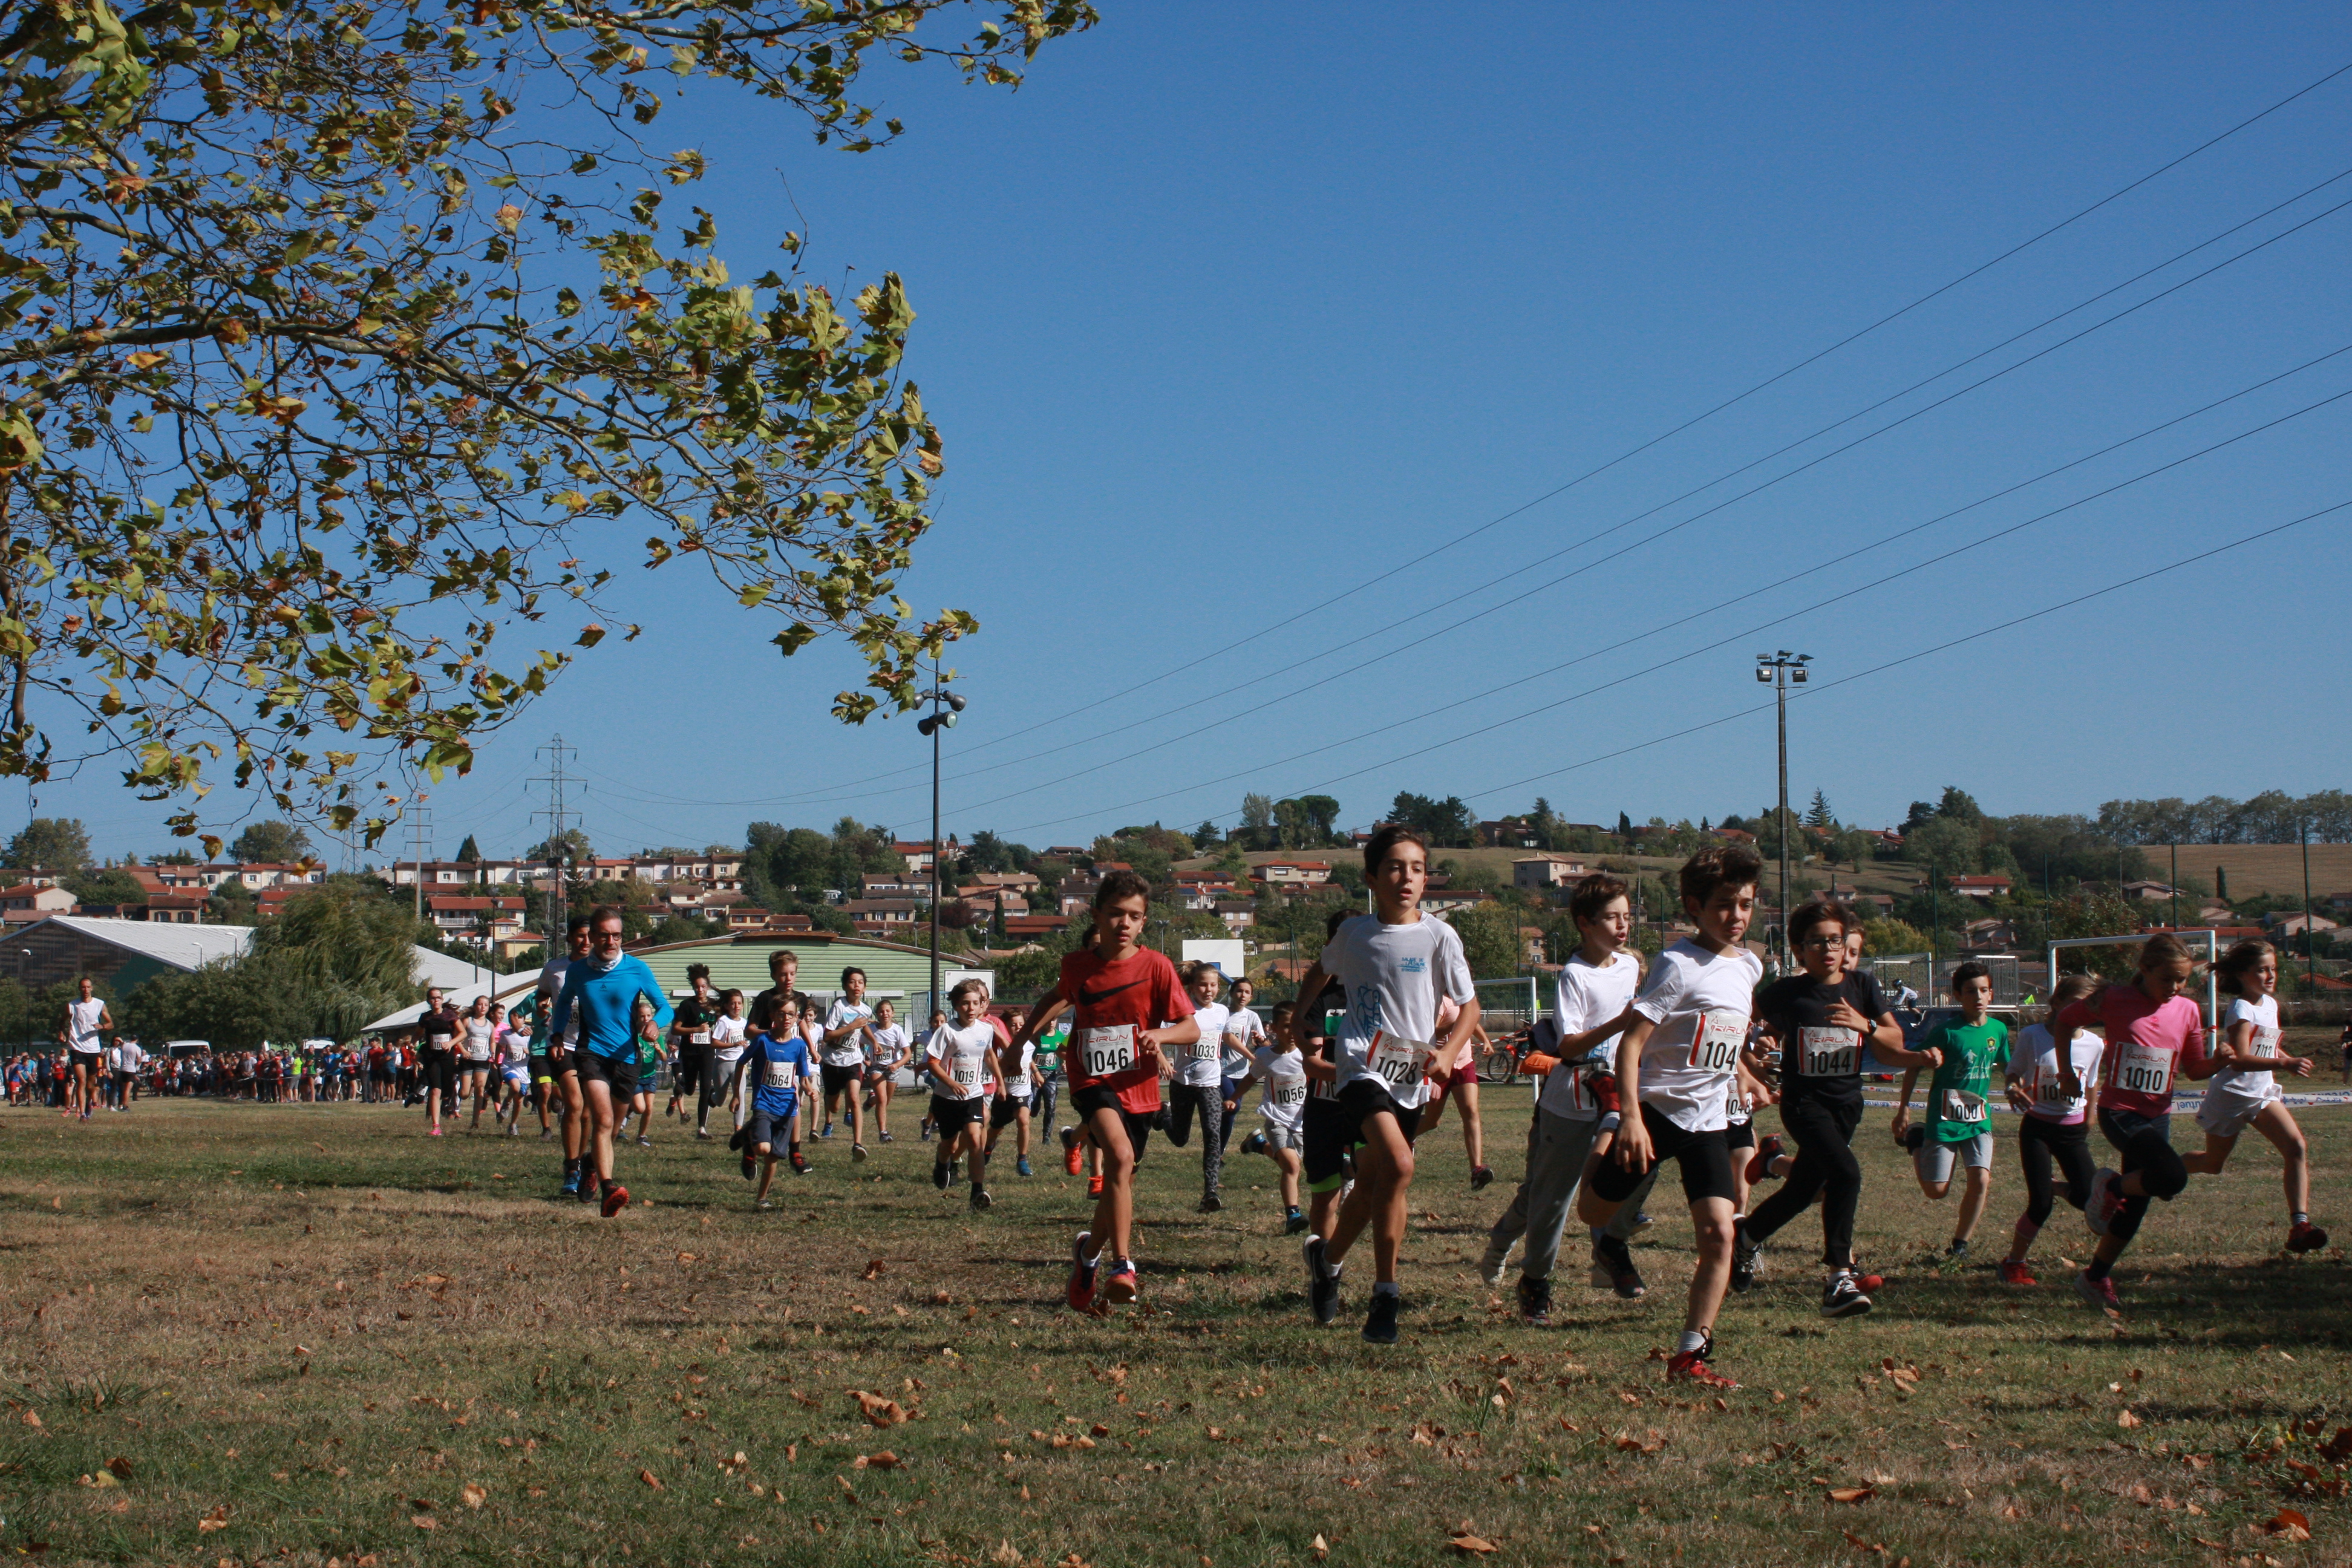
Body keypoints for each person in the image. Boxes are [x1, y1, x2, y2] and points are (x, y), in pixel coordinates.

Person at [1576, 843, 1771, 1389]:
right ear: (1694, 906)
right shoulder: (1677, 965)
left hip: (1708, 1120)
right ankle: (1605, 1138)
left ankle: (1690, 1355)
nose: (1736, 917)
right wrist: (1631, 1117)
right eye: (1724, 906)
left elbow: (1726, 1035)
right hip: (1656, 1114)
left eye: (1746, 905)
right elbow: (1632, 1046)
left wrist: (1745, 1072)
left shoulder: (1750, 965)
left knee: (1718, 1234)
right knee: (1593, 1213)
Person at [1295, 825, 1480, 1345]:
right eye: (1396, 867)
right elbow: (1319, 971)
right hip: (1360, 1065)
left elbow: (1469, 1007)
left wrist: (1446, 1051)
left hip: (1412, 1072)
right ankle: (1386, 1292)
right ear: (1372, 877)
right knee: (1400, 1164)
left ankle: (1327, 1262)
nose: (1408, 877)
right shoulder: (1354, 933)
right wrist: (1301, 1019)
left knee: (1375, 1183)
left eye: (1417, 868)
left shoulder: (1440, 936)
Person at [1005, 869, 1197, 1313]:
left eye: (1134, 916)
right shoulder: (1078, 965)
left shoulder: (1158, 968)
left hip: (1140, 1087)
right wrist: (1021, 1041)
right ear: (1097, 915)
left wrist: (1160, 1037)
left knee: (1120, 1184)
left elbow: (1190, 1027)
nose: (1124, 924)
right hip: (1092, 1079)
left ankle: (1088, 1256)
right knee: (1121, 1157)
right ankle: (1122, 1266)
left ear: (1144, 922)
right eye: (1115, 914)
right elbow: (1057, 997)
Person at [1736, 898, 1926, 1316]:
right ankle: (1839, 1276)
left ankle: (1746, 1238)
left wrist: (1868, 1025)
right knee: (1846, 1173)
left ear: (1845, 945)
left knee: (1803, 1191)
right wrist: (1756, 1047)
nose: (1827, 950)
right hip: (1805, 1104)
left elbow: (1895, 1045)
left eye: (1835, 941)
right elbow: (1742, 1022)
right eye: (1816, 942)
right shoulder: (1788, 991)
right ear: (1800, 949)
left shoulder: (1863, 987)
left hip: (1847, 1105)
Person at [1478, 872, 1642, 1324]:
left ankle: (1608, 1257)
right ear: (1585, 924)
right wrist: (1621, 1022)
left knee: (1622, 1174)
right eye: (1612, 918)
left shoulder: (1630, 966)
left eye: (1627, 917)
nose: (1623, 926)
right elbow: (1567, 1046)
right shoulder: (1575, 975)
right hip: (1569, 1099)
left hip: (1615, 1094)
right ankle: (1532, 1279)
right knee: (1549, 1199)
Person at [2057, 932, 2206, 1311]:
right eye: (2167, 979)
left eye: (2182, 980)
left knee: (2137, 1205)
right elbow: (2063, 1022)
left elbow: (2195, 1068)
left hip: (2159, 1116)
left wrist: (2225, 1059)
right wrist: (2066, 1073)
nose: (2175, 987)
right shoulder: (2114, 999)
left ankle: (2095, 1276)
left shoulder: (2188, 1010)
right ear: (2145, 969)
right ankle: (2110, 1186)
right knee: (2172, 1178)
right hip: (2120, 1112)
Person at [2182, 939, 2327, 1253]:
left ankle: (2300, 1226)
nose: (2271, 975)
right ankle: (2159, 1173)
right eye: (2262, 970)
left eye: (2273, 969)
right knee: (2212, 1164)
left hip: (2261, 1093)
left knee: (2297, 1147)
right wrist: (2284, 1063)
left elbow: (2268, 1046)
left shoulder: (2270, 1004)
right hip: (2233, 1095)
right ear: (2242, 975)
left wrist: (2285, 1059)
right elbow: (2239, 1058)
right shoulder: (2241, 1008)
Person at [549, 906, 674, 1216]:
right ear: (592, 937)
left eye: (616, 936)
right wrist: (556, 1035)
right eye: (604, 936)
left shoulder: (637, 969)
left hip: (628, 1057)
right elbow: (563, 1004)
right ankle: (609, 1189)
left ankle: (590, 1163)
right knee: (602, 1121)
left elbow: (665, 1007)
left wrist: (656, 1023)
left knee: (613, 1129)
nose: (611, 942)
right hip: (591, 1054)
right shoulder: (577, 972)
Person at [1892, 962, 2008, 1264]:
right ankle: (1917, 1140)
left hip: (1978, 1119)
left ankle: (1960, 1244)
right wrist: (1904, 1109)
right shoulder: (1946, 1032)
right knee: (1936, 1191)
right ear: (1957, 995)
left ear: (1991, 994)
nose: (1978, 997)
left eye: (1984, 990)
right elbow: (1915, 1065)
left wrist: (2019, 1085)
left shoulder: (1999, 1030)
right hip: (1944, 1120)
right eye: (1971, 991)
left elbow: (2009, 1067)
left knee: (1980, 1180)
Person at [1996, 972, 2105, 1284]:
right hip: (2038, 1128)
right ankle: (2014, 1263)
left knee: (2090, 1200)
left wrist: (2091, 1115)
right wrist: (2012, 1088)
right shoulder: (2032, 1036)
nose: (2082, 1012)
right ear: (2056, 1003)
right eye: (2075, 1004)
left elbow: (2093, 1083)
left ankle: (2057, 1187)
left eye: (2089, 1006)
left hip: (2072, 1131)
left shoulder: (2095, 1043)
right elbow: (2013, 1074)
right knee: (2040, 1205)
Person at [1163, 961, 1232, 1214]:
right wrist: (1162, 1058)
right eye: (1203, 984)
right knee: (1181, 1139)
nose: (1209, 990)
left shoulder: (1222, 1012)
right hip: (1182, 1083)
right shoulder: (1183, 1011)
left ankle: (1210, 1193)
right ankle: (1163, 1115)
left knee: (1213, 1135)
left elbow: (1225, 1037)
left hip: (1211, 1084)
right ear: (1191, 987)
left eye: (1213, 985)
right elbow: (1159, 1034)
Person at [928, 979, 1003, 1210]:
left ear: (982, 1005)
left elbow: (989, 1055)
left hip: (973, 1095)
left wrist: (1000, 1082)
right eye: (965, 1004)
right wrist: (951, 1083)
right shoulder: (947, 1031)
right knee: (949, 1146)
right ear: (956, 1005)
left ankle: (977, 1191)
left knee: (975, 1139)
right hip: (946, 1098)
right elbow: (932, 1063)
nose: (970, 1009)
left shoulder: (986, 1029)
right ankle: (942, 1163)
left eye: (975, 1003)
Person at [1237, 1001, 1310, 1232]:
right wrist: (1234, 1097)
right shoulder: (1265, 1056)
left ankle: (1258, 1145)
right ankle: (1293, 1215)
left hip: (1301, 1122)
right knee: (1292, 1165)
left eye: (1297, 1026)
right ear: (1273, 1029)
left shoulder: (1307, 1055)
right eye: (1287, 1026)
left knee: (1293, 1162)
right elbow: (1250, 1078)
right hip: (1276, 1119)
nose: (1292, 1032)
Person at [1417, 1002, 1495, 1190]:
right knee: (1432, 1121)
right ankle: (1399, 1139)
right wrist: (1456, 1024)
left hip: (1464, 1064)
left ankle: (1476, 1169)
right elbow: (1434, 1032)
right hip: (1441, 1065)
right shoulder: (1440, 1001)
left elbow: (1471, 1021)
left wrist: (1485, 1040)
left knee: (1471, 1112)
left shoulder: (1465, 999)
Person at [747, 995, 815, 1205]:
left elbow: (803, 1078)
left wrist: (810, 1089)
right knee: (763, 1149)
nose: (786, 1018)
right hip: (764, 1103)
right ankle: (749, 1142)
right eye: (781, 1014)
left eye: (791, 1014)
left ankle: (762, 1198)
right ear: (773, 1016)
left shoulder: (799, 1046)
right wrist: (735, 1096)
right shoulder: (763, 1041)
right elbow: (742, 1063)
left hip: (787, 1107)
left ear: (797, 1018)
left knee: (773, 1157)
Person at [819, 967, 876, 1159]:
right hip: (833, 1060)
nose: (856, 986)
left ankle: (858, 1144)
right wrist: (851, 1027)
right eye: (852, 982)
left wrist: (874, 1042)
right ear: (845, 986)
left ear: (865, 987)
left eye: (860, 982)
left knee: (854, 1098)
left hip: (853, 1059)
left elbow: (864, 1027)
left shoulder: (866, 1009)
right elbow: (828, 1035)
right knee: (834, 1105)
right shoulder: (839, 1007)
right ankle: (833, 1114)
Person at [666, 962, 722, 1135]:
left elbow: (720, 1025)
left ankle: (701, 1128)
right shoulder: (687, 1005)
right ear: (693, 987)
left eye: (703, 986)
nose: (700, 990)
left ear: (708, 986)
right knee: (690, 1090)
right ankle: (680, 1087)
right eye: (697, 987)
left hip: (706, 1052)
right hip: (689, 1052)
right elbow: (676, 1029)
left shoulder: (715, 1006)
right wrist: (696, 1030)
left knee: (706, 1087)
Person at [984, 1004, 1037, 1177]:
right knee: (995, 1129)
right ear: (1005, 1027)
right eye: (1013, 1025)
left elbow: (1026, 1059)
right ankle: (988, 1147)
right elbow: (1001, 1060)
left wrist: (1035, 1072)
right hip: (1003, 1094)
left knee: (1024, 1119)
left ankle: (1022, 1159)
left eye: (1021, 1024)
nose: (1018, 1028)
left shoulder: (1028, 1044)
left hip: (1022, 1093)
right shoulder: (997, 1047)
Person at [1218, 978, 1266, 1153]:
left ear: (1251, 997)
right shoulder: (1221, 1012)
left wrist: (1261, 1040)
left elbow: (1264, 1043)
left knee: (1230, 1114)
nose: (1242, 995)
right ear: (1231, 993)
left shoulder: (1252, 1017)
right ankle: (1217, 1149)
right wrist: (1252, 1057)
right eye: (1239, 991)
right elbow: (1227, 1037)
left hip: (1241, 1071)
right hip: (1221, 1070)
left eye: (1247, 992)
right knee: (1234, 1106)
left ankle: (1219, 1151)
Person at [59, 976, 110, 1122]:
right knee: (81, 1081)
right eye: (83, 987)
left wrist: (103, 1026)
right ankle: (82, 1114)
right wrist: (61, 1032)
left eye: (88, 987)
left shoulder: (100, 1004)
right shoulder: (72, 1005)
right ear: (79, 989)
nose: (86, 990)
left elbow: (110, 1023)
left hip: (93, 1048)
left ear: (92, 988)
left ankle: (89, 1106)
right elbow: (62, 1021)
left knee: (91, 1083)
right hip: (77, 1047)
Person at [413, 987, 461, 1136]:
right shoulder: (426, 1017)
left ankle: (447, 1104)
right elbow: (418, 1033)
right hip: (432, 1057)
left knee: (446, 1090)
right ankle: (436, 1126)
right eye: (433, 998)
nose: (436, 1001)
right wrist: (412, 1044)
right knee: (435, 1090)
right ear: (429, 1001)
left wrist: (451, 1043)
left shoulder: (450, 1015)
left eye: (438, 998)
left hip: (447, 1057)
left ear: (442, 999)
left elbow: (462, 1033)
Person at [866, 999, 908, 1143]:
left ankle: (871, 1100)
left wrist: (897, 1065)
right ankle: (883, 1133)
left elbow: (907, 1053)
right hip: (876, 1067)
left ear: (892, 1013)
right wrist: (864, 1058)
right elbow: (857, 1043)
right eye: (882, 1011)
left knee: (884, 1101)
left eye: (888, 1011)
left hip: (892, 1068)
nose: (885, 1014)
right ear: (877, 1014)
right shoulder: (871, 1030)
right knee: (882, 1100)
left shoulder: (897, 1030)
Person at [459, 995, 499, 1132]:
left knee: (480, 1090)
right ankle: (461, 1089)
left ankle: (475, 1121)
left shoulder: (490, 1025)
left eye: (486, 1005)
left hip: (483, 1060)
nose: (483, 1007)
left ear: (488, 1008)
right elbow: (457, 1038)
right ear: (475, 1006)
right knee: (464, 1094)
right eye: (480, 1004)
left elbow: (492, 1041)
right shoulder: (467, 1021)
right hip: (468, 1060)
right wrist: (463, 1051)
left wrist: (493, 1052)